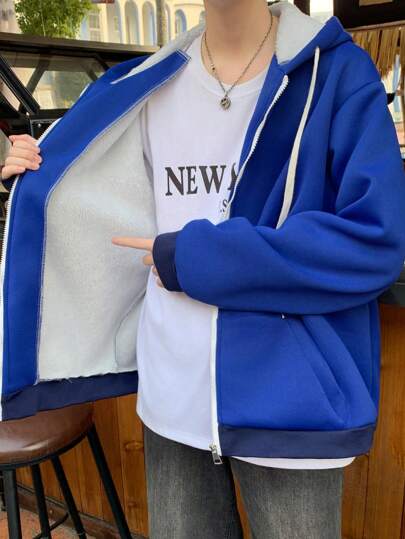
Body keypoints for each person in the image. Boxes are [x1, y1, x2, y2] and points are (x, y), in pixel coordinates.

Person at [2, 1, 405, 537]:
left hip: (290, 402)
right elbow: (97, 210)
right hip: (171, 393)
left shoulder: (336, 73)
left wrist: (196, 258)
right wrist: (35, 176)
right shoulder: (144, 83)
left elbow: (375, 240)